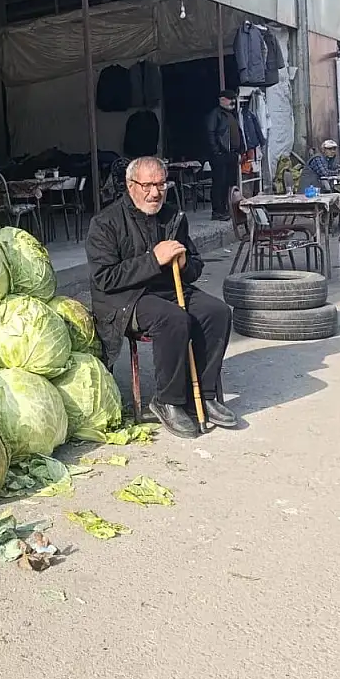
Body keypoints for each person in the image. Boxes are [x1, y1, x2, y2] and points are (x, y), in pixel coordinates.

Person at [86, 156, 237, 438]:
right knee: (173, 319)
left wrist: (183, 264)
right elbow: (104, 278)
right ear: (131, 186)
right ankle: (168, 400)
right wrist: (153, 260)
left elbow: (194, 265)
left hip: (168, 288)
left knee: (216, 312)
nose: (155, 193)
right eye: (147, 185)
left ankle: (203, 394)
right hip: (126, 299)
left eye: (161, 185)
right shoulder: (105, 223)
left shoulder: (172, 216)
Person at [205, 89, 245, 221]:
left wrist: (240, 151)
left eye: (234, 98)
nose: (233, 101)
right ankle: (218, 211)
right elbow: (210, 133)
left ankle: (228, 209)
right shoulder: (215, 114)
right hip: (220, 155)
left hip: (231, 154)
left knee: (230, 183)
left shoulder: (230, 115)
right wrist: (217, 151)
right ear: (222, 99)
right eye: (230, 99)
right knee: (219, 183)